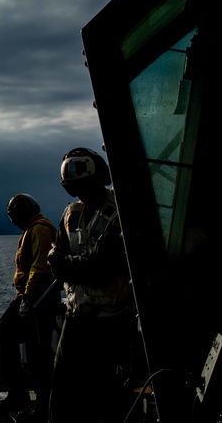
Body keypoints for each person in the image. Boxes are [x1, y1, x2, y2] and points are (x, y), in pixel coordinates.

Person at [47, 147, 137, 423]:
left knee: (107, 392)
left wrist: (67, 265)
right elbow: (58, 258)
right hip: (77, 315)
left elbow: (105, 266)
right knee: (63, 387)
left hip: (112, 320)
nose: (78, 187)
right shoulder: (70, 214)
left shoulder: (119, 213)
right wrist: (73, 265)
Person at [0, 193, 58, 420]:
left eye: (14, 214)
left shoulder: (38, 229)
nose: (12, 219)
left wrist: (28, 298)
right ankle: (34, 401)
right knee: (34, 352)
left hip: (37, 300)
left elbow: (40, 267)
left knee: (15, 342)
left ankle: (33, 401)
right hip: (32, 298)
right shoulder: (33, 229)